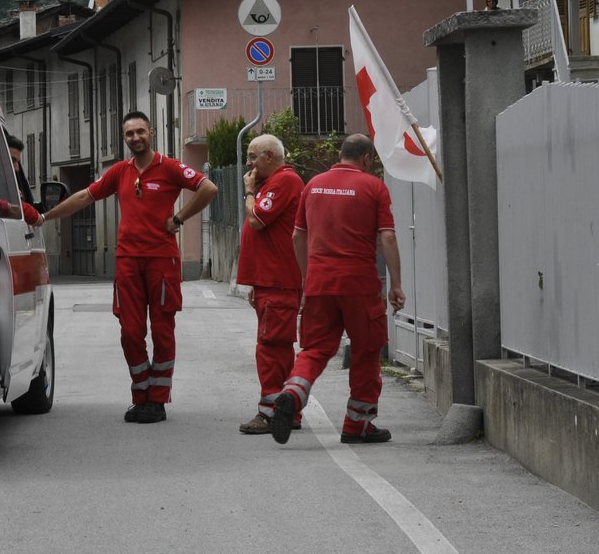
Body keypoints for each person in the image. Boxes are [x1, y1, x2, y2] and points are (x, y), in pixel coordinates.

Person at [41, 110, 217, 423]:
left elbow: (208, 188)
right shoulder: (120, 171)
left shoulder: (170, 167)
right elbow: (84, 196)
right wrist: (45, 216)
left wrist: (178, 219)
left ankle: (158, 400)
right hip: (127, 261)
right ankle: (141, 394)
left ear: (151, 133)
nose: (135, 137)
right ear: (125, 138)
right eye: (129, 134)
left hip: (162, 260)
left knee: (163, 331)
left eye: (140, 131)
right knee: (130, 331)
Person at [268, 133, 405, 446]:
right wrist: (396, 284)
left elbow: (296, 238)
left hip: (319, 283)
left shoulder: (312, 185)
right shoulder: (374, 187)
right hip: (359, 284)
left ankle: (292, 392)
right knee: (367, 350)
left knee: (314, 349)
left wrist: (307, 279)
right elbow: (387, 238)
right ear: (367, 159)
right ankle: (357, 425)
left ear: (341, 154)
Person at [234, 134, 305, 435]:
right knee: (276, 347)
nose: (248, 164)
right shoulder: (277, 183)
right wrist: (255, 281)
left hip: (278, 282)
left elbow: (258, 220)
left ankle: (271, 413)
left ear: (270, 157)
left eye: (253, 157)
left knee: (270, 348)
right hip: (269, 281)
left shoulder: (283, 181)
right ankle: (287, 411)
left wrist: (249, 192)